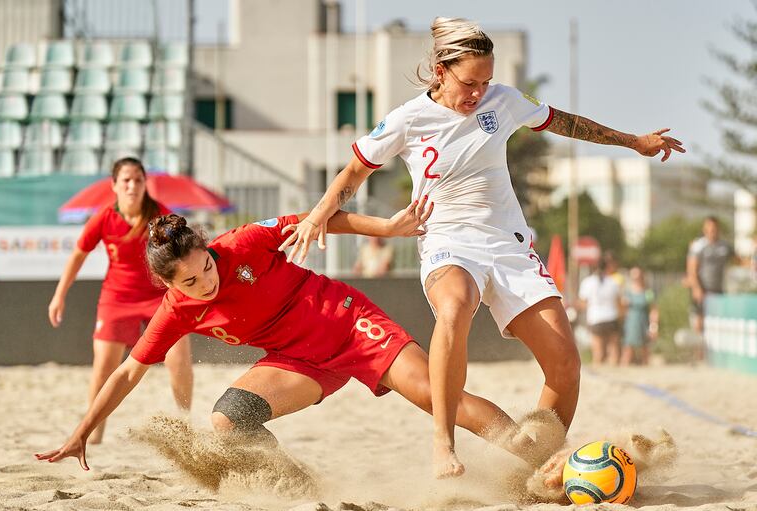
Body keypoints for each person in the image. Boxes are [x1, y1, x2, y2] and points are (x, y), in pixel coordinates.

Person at [278, 16, 685, 477]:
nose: (478, 92)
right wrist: (317, 215)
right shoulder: (407, 119)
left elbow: (564, 122)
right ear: (440, 70)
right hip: (446, 240)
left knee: (566, 363)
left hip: (508, 244)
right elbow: (353, 172)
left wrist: (633, 142)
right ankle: (443, 445)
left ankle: (541, 463)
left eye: (486, 81)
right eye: (470, 82)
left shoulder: (504, 101)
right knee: (456, 307)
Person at [35, 203, 563, 474]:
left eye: (205, 268)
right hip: (297, 361)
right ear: (169, 286)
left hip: (348, 323)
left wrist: (386, 228)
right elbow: (128, 372)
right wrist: (83, 430)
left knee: (433, 395)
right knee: (226, 422)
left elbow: (320, 219)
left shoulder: (243, 242)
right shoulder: (176, 311)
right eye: (191, 282)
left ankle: (538, 459)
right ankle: (292, 484)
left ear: (206, 247)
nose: (206, 283)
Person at [48, 157, 193, 444]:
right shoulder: (104, 217)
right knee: (104, 365)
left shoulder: (160, 216)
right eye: (126, 180)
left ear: (144, 184)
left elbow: (184, 254)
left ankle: (184, 424)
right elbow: (78, 254)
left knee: (178, 360)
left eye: (138, 179)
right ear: (114, 185)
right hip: (117, 298)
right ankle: (92, 436)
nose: (132, 185)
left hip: (160, 296)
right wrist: (59, 296)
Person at [685, 215, 734, 358]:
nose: (712, 231)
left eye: (715, 228)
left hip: (718, 289)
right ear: (705, 229)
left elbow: (739, 261)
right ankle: (699, 354)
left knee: (717, 322)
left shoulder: (725, 246)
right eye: (709, 228)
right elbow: (691, 270)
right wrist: (697, 289)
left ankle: (715, 353)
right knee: (699, 322)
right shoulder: (698, 245)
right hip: (702, 289)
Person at [578, 256, 624, 366]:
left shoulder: (588, 282)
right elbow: (619, 302)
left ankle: (599, 373)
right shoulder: (613, 282)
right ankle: (615, 372)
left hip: (596, 318)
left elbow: (583, 303)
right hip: (611, 317)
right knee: (613, 349)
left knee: (598, 352)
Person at [620, 267, 659, 366]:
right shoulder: (627, 292)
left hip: (643, 321)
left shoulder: (648, 292)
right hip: (631, 322)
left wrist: (653, 326)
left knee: (645, 349)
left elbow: (653, 310)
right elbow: (621, 309)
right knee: (628, 348)